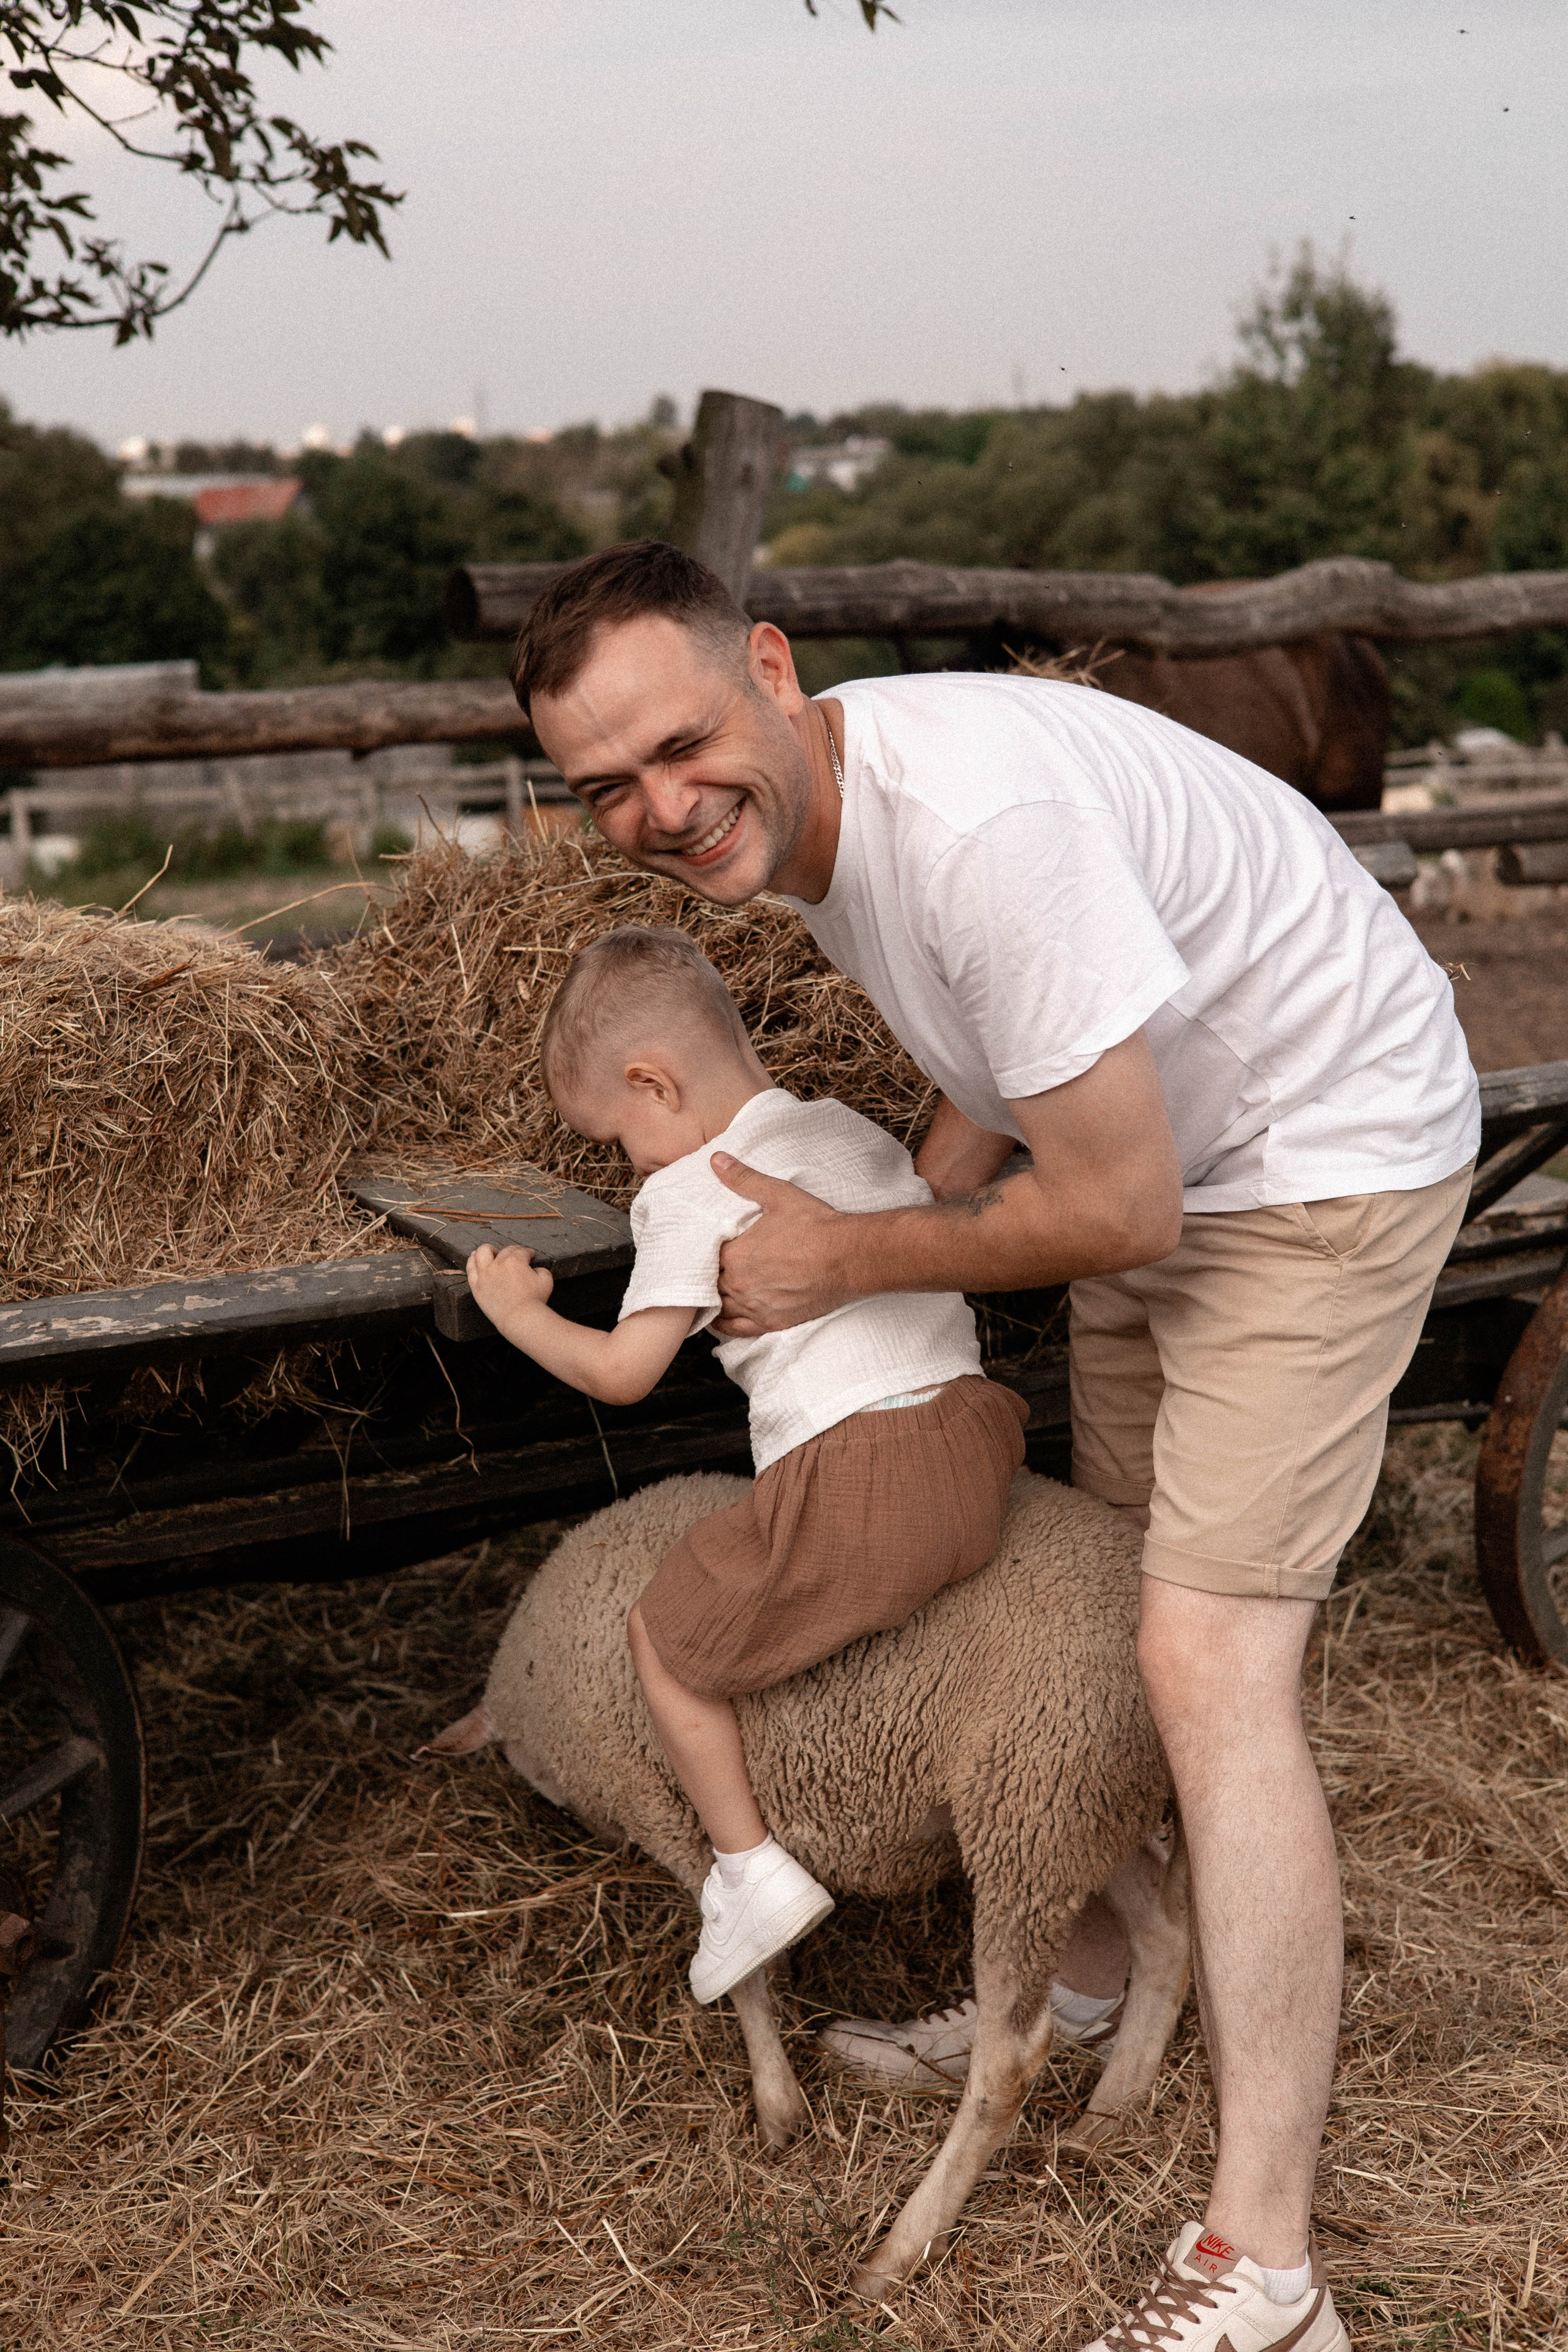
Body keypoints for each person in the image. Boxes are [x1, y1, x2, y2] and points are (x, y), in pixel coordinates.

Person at [507, 540, 1480, 2352]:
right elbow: (1000, 1037)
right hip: (1164, 1163)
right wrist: (897, 1197)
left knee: (1204, 1655)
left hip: (1319, 1145)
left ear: (775, 670)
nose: (657, 806)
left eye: (680, 743)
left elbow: (1109, 1201)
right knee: (1104, 1606)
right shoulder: (802, 838)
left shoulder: (969, 830)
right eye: (604, 789)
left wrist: (845, 1253)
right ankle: (1094, 1974)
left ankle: (1265, 2271)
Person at [464, 921, 1029, 2007]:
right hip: (976, 1436)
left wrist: (517, 1311)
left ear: (655, 1086)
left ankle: (749, 1872)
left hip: (868, 1474)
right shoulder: (847, 1128)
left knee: (665, 1639)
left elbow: (628, 1372)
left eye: (616, 1138)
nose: (626, 1163)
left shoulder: (687, 1189)